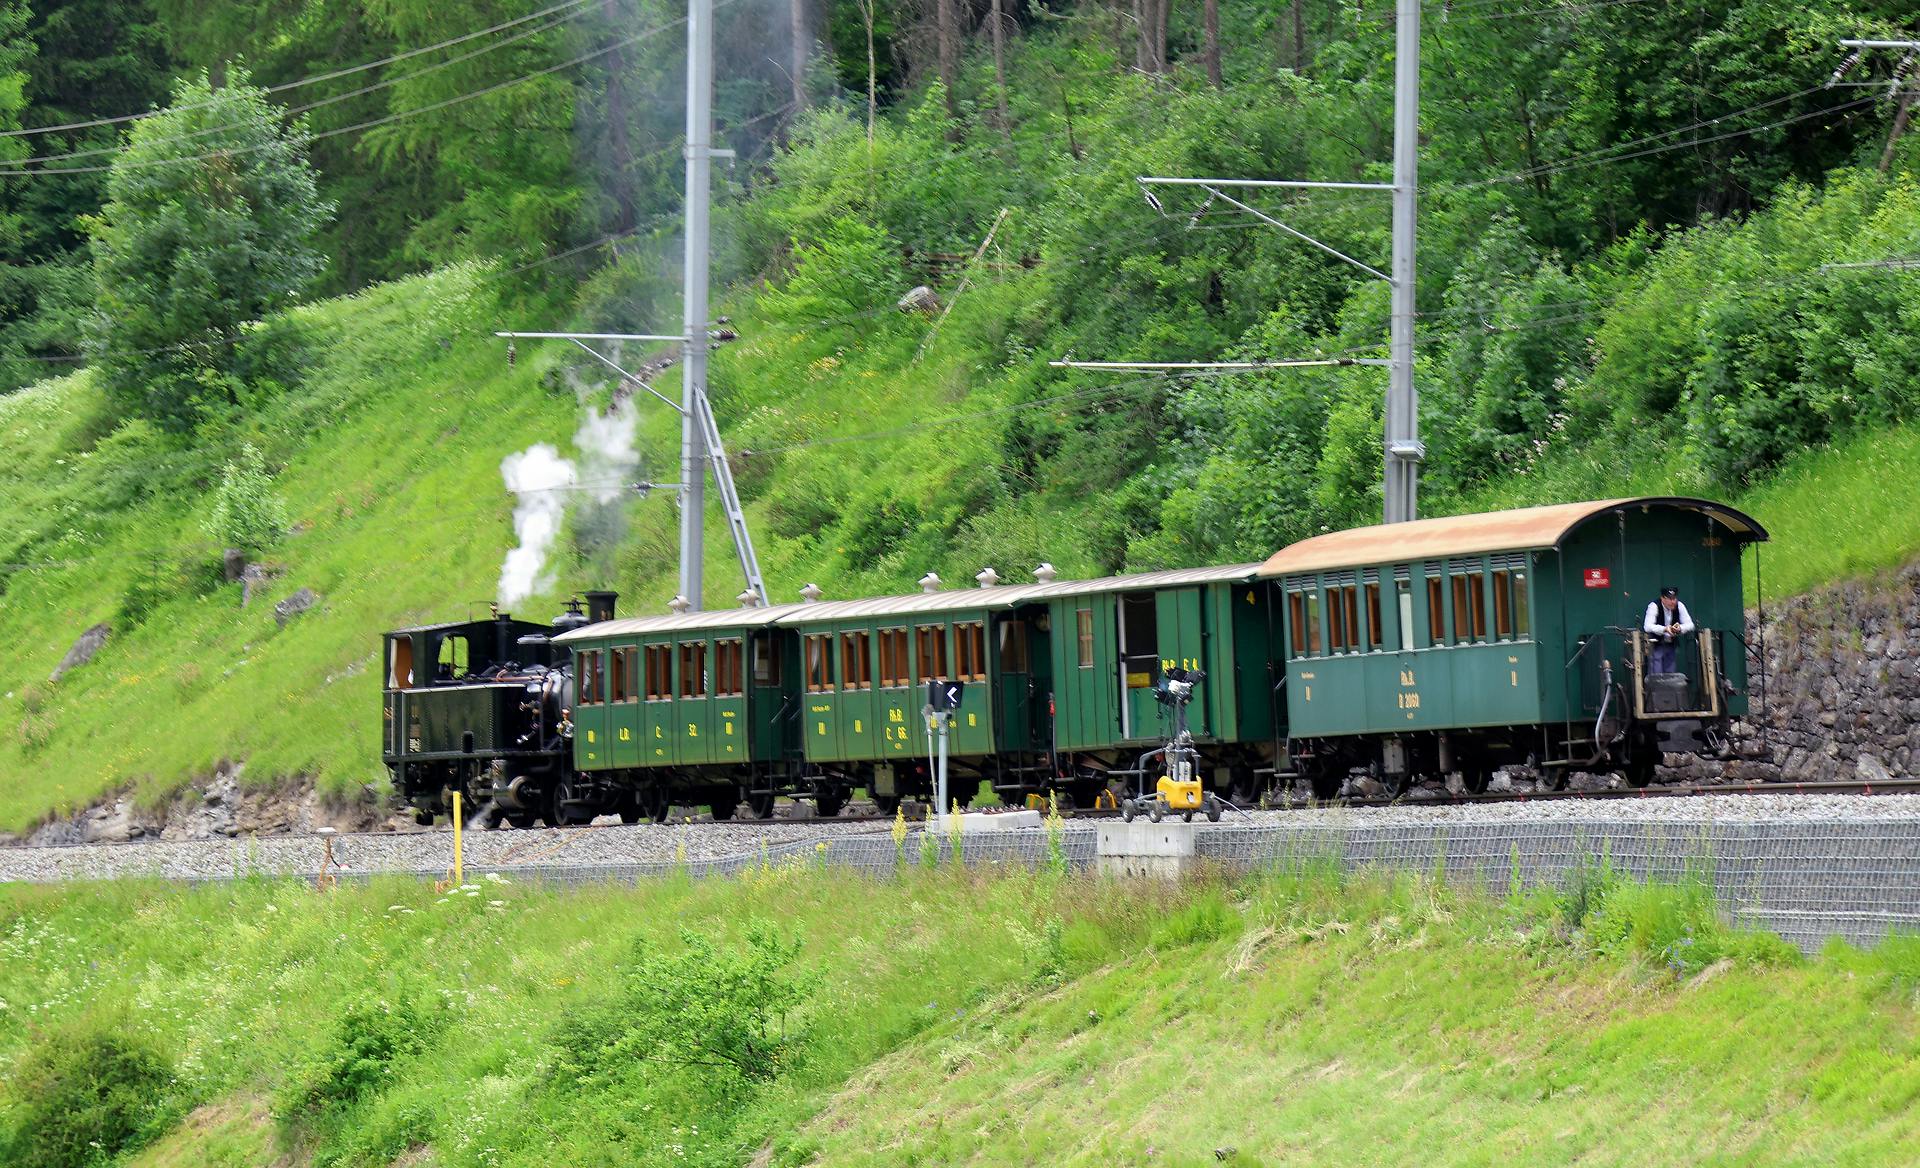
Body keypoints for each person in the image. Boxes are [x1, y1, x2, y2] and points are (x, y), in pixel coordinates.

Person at [1642, 586, 1694, 675]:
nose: (1672, 601)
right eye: (1669, 599)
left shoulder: (1680, 606)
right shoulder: (1654, 606)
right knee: (1656, 674)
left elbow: (1690, 625)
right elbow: (1647, 626)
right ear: (1662, 598)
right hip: (1656, 645)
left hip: (1671, 645)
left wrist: (1680, 628)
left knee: (1670, 674)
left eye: (1674, 598)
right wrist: (1664, 629)